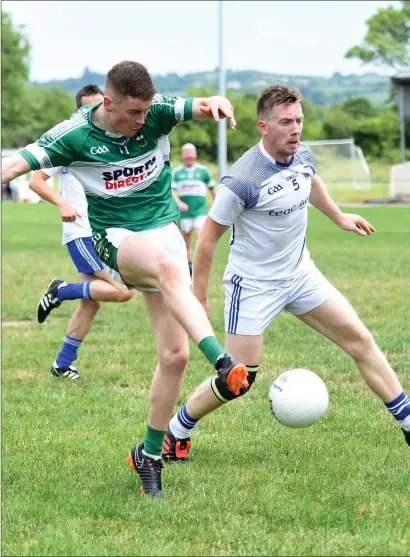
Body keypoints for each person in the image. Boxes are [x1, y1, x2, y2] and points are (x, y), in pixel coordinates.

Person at [1, 60, 250, 498]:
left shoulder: (155, 111)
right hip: (115, 237)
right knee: (170, 271)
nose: (142, 121)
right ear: (108, 103)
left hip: (164, 233)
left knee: (173, 357)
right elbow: (17, 165)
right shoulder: (74, 134)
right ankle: (223, 361)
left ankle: (148, 455)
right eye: (133, 113)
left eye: (146, 112)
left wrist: (217, 104)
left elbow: (202, 104)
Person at [162, 84, 410, 463]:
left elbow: (310, 182)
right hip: (254, 286)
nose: (295, 130)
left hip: (300, 275)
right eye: (285, 122)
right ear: (263, 126)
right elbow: (207, 239)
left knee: (360, 340)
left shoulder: (303, 155)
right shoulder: (242, 180)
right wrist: (199, 297)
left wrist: (340, 217)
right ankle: (177, 430)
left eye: (299, 121)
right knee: (239, 381)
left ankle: (408, 424)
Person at [29, 84, 135, 380]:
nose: (95, 113)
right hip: (81, 232)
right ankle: (61, 290)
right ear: (78, 110)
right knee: (124, 291)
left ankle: (63, 364)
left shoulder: (107, 142)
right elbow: (36, 181)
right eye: (88, 108)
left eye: (100, 106)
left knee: (93, 302)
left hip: (104, 230)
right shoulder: (68, 143)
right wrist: (62, 203)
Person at [171, 143, 216, 275]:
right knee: (185, 242)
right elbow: (172, 191)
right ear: (183, 156)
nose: (189, 157)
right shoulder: (178, 173)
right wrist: (179, 202)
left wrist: (218, 206)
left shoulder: (203, 171)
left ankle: (201, 265)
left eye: (191, 154)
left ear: (195, 155)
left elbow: (213, 190)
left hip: (200, 211)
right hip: (185, 214)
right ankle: (190, 267)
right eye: (187, 155)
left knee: (201, 237)